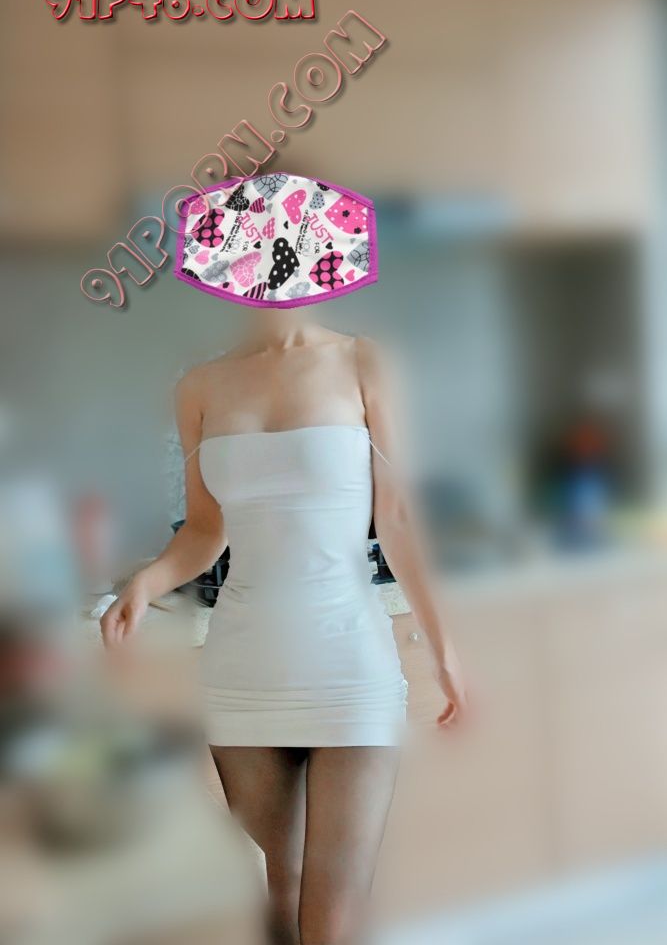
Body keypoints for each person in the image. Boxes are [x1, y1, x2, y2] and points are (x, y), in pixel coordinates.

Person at [101, 311, 466, 945]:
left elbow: (397, 518)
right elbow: (206, 529)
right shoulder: (199, 387)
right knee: (281, 892)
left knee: (333, 910)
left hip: (350, 665)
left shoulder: (364, 362)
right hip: (243, 673)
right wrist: (146, 583)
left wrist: (444, 652)